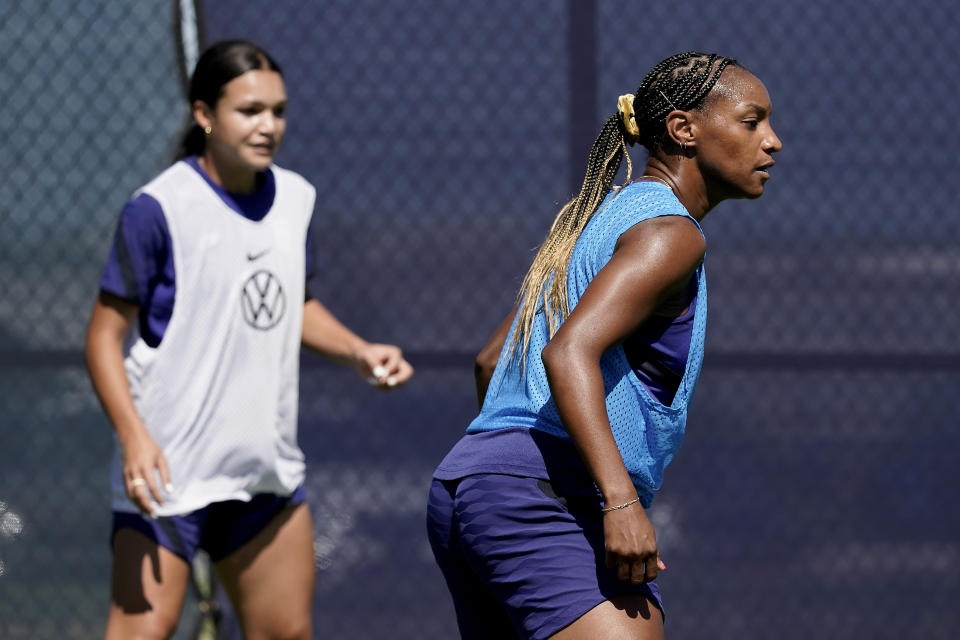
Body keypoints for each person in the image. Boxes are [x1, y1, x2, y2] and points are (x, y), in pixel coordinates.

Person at [426, 52, 782, 639]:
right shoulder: (671, 236)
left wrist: (500, 469)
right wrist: (619, 502)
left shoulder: (597, 221)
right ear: (683, 129)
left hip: (468, 487)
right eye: (752, 120)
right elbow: (567, 352)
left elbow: (492, 362)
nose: (773, 142)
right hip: (547, 497)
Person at [84, 39, 414, 639]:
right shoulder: (156, 210)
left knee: (287, 633)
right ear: (204, 115)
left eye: (279, 111)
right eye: (250, 110)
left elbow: (293, 302)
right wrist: (134, 439)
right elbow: (102, 338)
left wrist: (358, 349)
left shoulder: (296, 199)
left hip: (265, 476)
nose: (268, 126)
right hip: (166, 478)